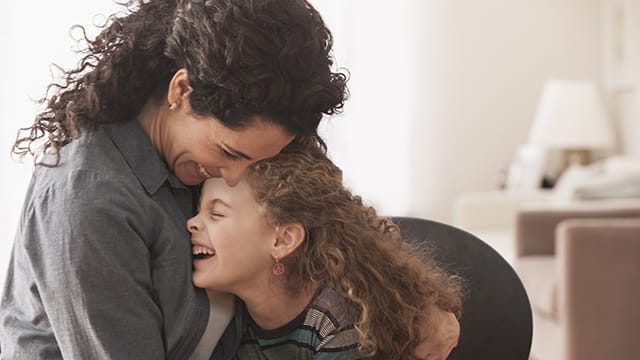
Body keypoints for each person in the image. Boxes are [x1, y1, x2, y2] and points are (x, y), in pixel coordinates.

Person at [0, 0, 459, 358]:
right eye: (228, 153)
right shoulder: (90, 202)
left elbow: (315, 209)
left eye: (258, 160)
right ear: (181, 91)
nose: (237, 177)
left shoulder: (209, 147)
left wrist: (413, 307)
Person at [187, 136, 462, 359]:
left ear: (282, 240)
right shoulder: (236, 321)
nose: (191, 223)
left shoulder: (337, 321)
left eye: (217, 214)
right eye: (198, 210)